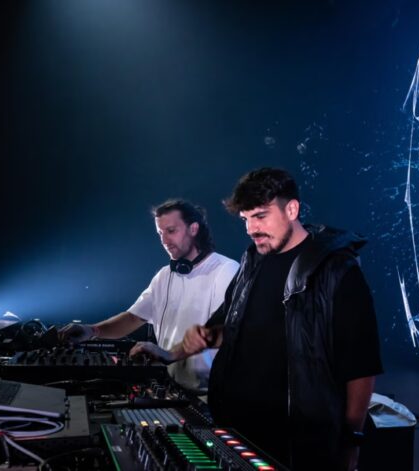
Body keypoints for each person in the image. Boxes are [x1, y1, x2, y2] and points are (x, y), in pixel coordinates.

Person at [161, 168, 383, 470]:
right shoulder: (252, 260)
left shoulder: (337, 271)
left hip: (296, 444)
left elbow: (360, 367)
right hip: (236, 430)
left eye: (261, 216)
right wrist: (203, 338)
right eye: (246, 219)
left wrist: (351, 442)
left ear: (291, 210)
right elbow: (234, 326)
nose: (251, 228)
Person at [58, 199, 239, 391]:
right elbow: (132, 318)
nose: (164, 241)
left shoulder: (225, 270)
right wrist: (93, 330)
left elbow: (223, 332)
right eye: (160, 233)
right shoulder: (164, 275)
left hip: (209, 394)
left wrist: (169, 354)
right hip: (171, 389)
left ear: (193, 229)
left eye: (171, 231)